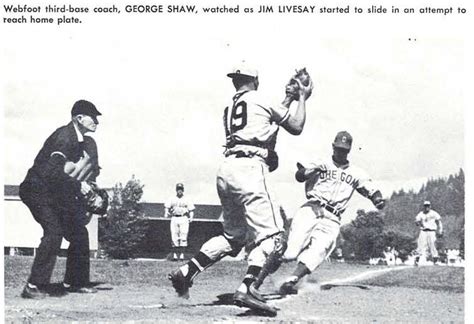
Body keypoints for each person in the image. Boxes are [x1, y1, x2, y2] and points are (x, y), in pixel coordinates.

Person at [168, 64, 313, 315]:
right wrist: (300, 97)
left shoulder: (231, 107)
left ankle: (186, 272)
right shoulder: (260, 98)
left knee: (233, 237)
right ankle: (247, 288)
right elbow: (296, 126)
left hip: (227, 170)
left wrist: (288, 97)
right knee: (275, 238)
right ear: (256, 79)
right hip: (249, 169)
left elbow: (266, 123)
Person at [258, 131, 385, 295]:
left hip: (333, 217)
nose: (341, 152)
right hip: (312, 208)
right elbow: (299, 175)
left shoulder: (356, 172)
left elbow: (371, 190)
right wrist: (311, 171)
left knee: (320, 249)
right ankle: (256, 280)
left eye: (344, 150)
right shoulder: (320, 162)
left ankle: (292, 280)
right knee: (290, 253)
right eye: (338, 148)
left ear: (349, 151)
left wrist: (378, 199)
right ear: (333, 147)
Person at [19, 100, 103, 299]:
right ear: (79, 118)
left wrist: (91, 194)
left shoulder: (85, 142)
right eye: (93, 116)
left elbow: (87, 174)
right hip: (36, 190)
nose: (97, 121)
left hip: (56, 193)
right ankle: (33, 286)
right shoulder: (65, 137)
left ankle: (76, 281)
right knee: (54, 232)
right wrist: (78, 187)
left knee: (79, 233)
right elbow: (52, 173)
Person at [164, 183, 195, 261]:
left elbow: (191, 210)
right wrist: (166, 212)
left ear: (183, 190)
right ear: (176, 190)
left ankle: (181, 256)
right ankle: (174, 256)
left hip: (183, 218)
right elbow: (167, 207)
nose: (179, 191)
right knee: (174, 237)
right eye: (178, 189)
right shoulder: (172, 198)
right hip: (174, 218)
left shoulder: (187, 199)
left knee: (183, 236)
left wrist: (191, 217)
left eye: (181, 189)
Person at [414, 201, 443, 265]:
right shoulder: (421, 214)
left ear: (430, 206)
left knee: (433, 245)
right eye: (425, 206)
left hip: (432, 231)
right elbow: (416, 221)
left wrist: (440, 230)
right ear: (424, 206)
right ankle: (416, 260)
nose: (427, 207)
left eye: (428, 206)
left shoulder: (434, 213)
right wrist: (418, 223)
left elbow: (439, 221)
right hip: (423, 231)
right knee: (420, 245)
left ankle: (435, 260)